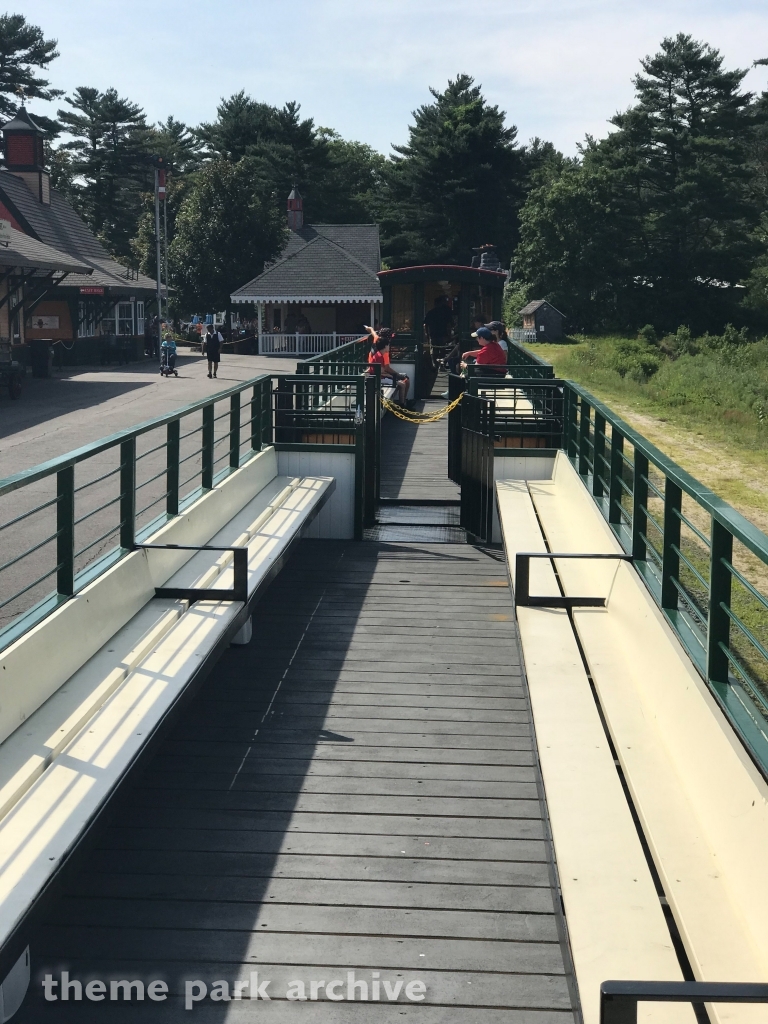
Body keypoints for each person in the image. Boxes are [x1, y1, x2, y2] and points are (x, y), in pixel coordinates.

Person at [368, 329, 409, 406]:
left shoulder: (379, 352)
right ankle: (402, 405)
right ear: (384, 346)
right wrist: (394, 377)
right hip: (379, 378)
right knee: (402, 384)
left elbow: (374, 333)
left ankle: (402, 403)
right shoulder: (380, 356)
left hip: (380, 376)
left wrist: (370, 329)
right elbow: (382, 372)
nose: (389, 346)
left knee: (402, 383)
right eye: (388, 345)